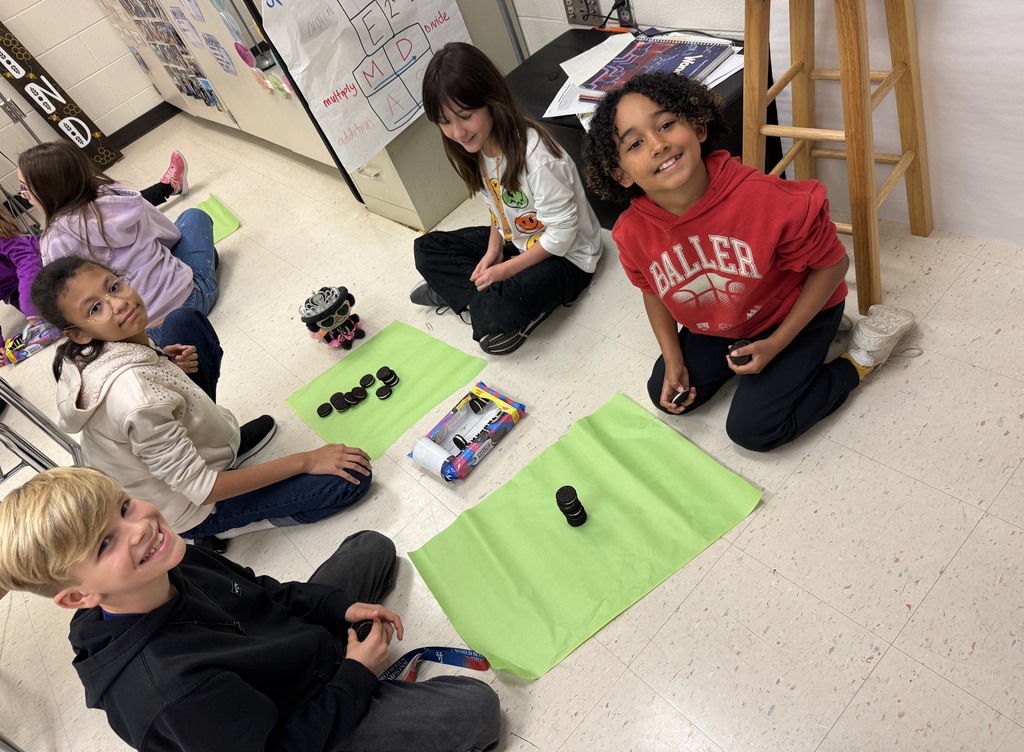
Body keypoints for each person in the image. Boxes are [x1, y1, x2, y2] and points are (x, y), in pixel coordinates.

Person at [0, 467, 502, 752]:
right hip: (291, 726)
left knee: (370, 546)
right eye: (107, 542)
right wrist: (356, 675)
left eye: (125, 506)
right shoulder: (173, 691)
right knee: (475, 711)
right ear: (78, 597)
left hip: (284, 653)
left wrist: (338, 607)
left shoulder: (166, 555)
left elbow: (262, 592)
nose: (142, 527)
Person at [581, 72, 917, 452]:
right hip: (724, 322)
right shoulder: (631, 232)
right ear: (620, 175)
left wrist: (775, 344)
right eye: (636, 143)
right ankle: (778, 350)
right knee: (669, 395)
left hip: (797, 311)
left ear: (698, 128)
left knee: (753, 430)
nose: (658, 144)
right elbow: (652, 291)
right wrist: (672, 356)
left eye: (667, 124)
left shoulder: (764, 200)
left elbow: (833, 266)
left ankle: (859, 357)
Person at [30, 256, 373, 544]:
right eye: (96, 308)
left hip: (164, 451)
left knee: (184, 321)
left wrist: (161, 360)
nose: (118, 302)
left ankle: (227, 450)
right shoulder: (135, 395)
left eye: (113, 285)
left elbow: (142, 395)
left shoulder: (100, 350)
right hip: (190, 508)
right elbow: (202, 488)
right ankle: (219, 531)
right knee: (350, 481)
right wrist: (307, 460)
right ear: (77, 333)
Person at [410, 42, 603, 355]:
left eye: (465, 116)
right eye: (445, 122)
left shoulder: (537, 158)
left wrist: (507, 271)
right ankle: (480, 297)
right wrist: (492, 251)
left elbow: (563, 236)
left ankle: (473, 297)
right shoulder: (478, 145)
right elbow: (496, 206)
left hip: (569, 258)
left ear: (491, 101)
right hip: (519, 241)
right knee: (426, 249)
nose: (458, 132)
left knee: (497, 318)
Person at [18, 142, 215, 348]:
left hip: (134, 332)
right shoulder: (118, 196)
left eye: (25, 189)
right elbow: (171, 237)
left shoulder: (52, 242)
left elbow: (66, 304)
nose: (25, 196)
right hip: (191, 298)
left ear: (45, 190)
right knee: (193, 217)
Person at [0, 205, 60, 363]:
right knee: (53, 315)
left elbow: (27, 260)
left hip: (41, 261)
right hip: (12, 289)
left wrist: (28, 302)